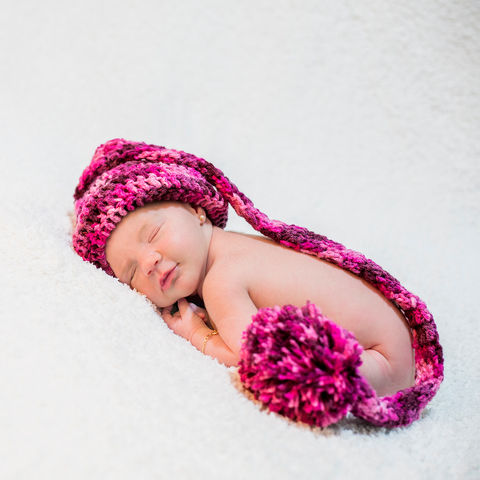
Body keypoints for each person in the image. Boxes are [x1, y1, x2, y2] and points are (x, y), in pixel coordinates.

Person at [72, 138, 443, 427]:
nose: (149, 262)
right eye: (131, 273)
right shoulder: (243, 243)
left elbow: (253, 358)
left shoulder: (221, 281)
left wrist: (196, 334)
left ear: (197, 210)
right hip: (398, 337)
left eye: (153, 234)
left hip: (379, 363)